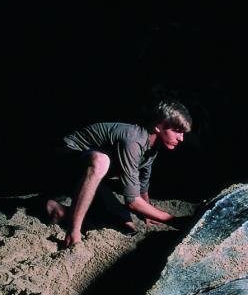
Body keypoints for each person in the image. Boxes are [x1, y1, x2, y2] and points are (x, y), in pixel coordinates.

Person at [44, 99, 193, 247]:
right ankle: (73, 231)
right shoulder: (133, 140)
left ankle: (59, 211)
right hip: (62, 161)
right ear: (158, 126)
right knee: (101, 160)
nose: (181, 138)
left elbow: (143, 182)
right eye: (177, 131)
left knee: (125, 224)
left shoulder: (153, 146)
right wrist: (174, 221)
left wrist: (147, 212)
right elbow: (132, 202)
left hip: (85, 175)